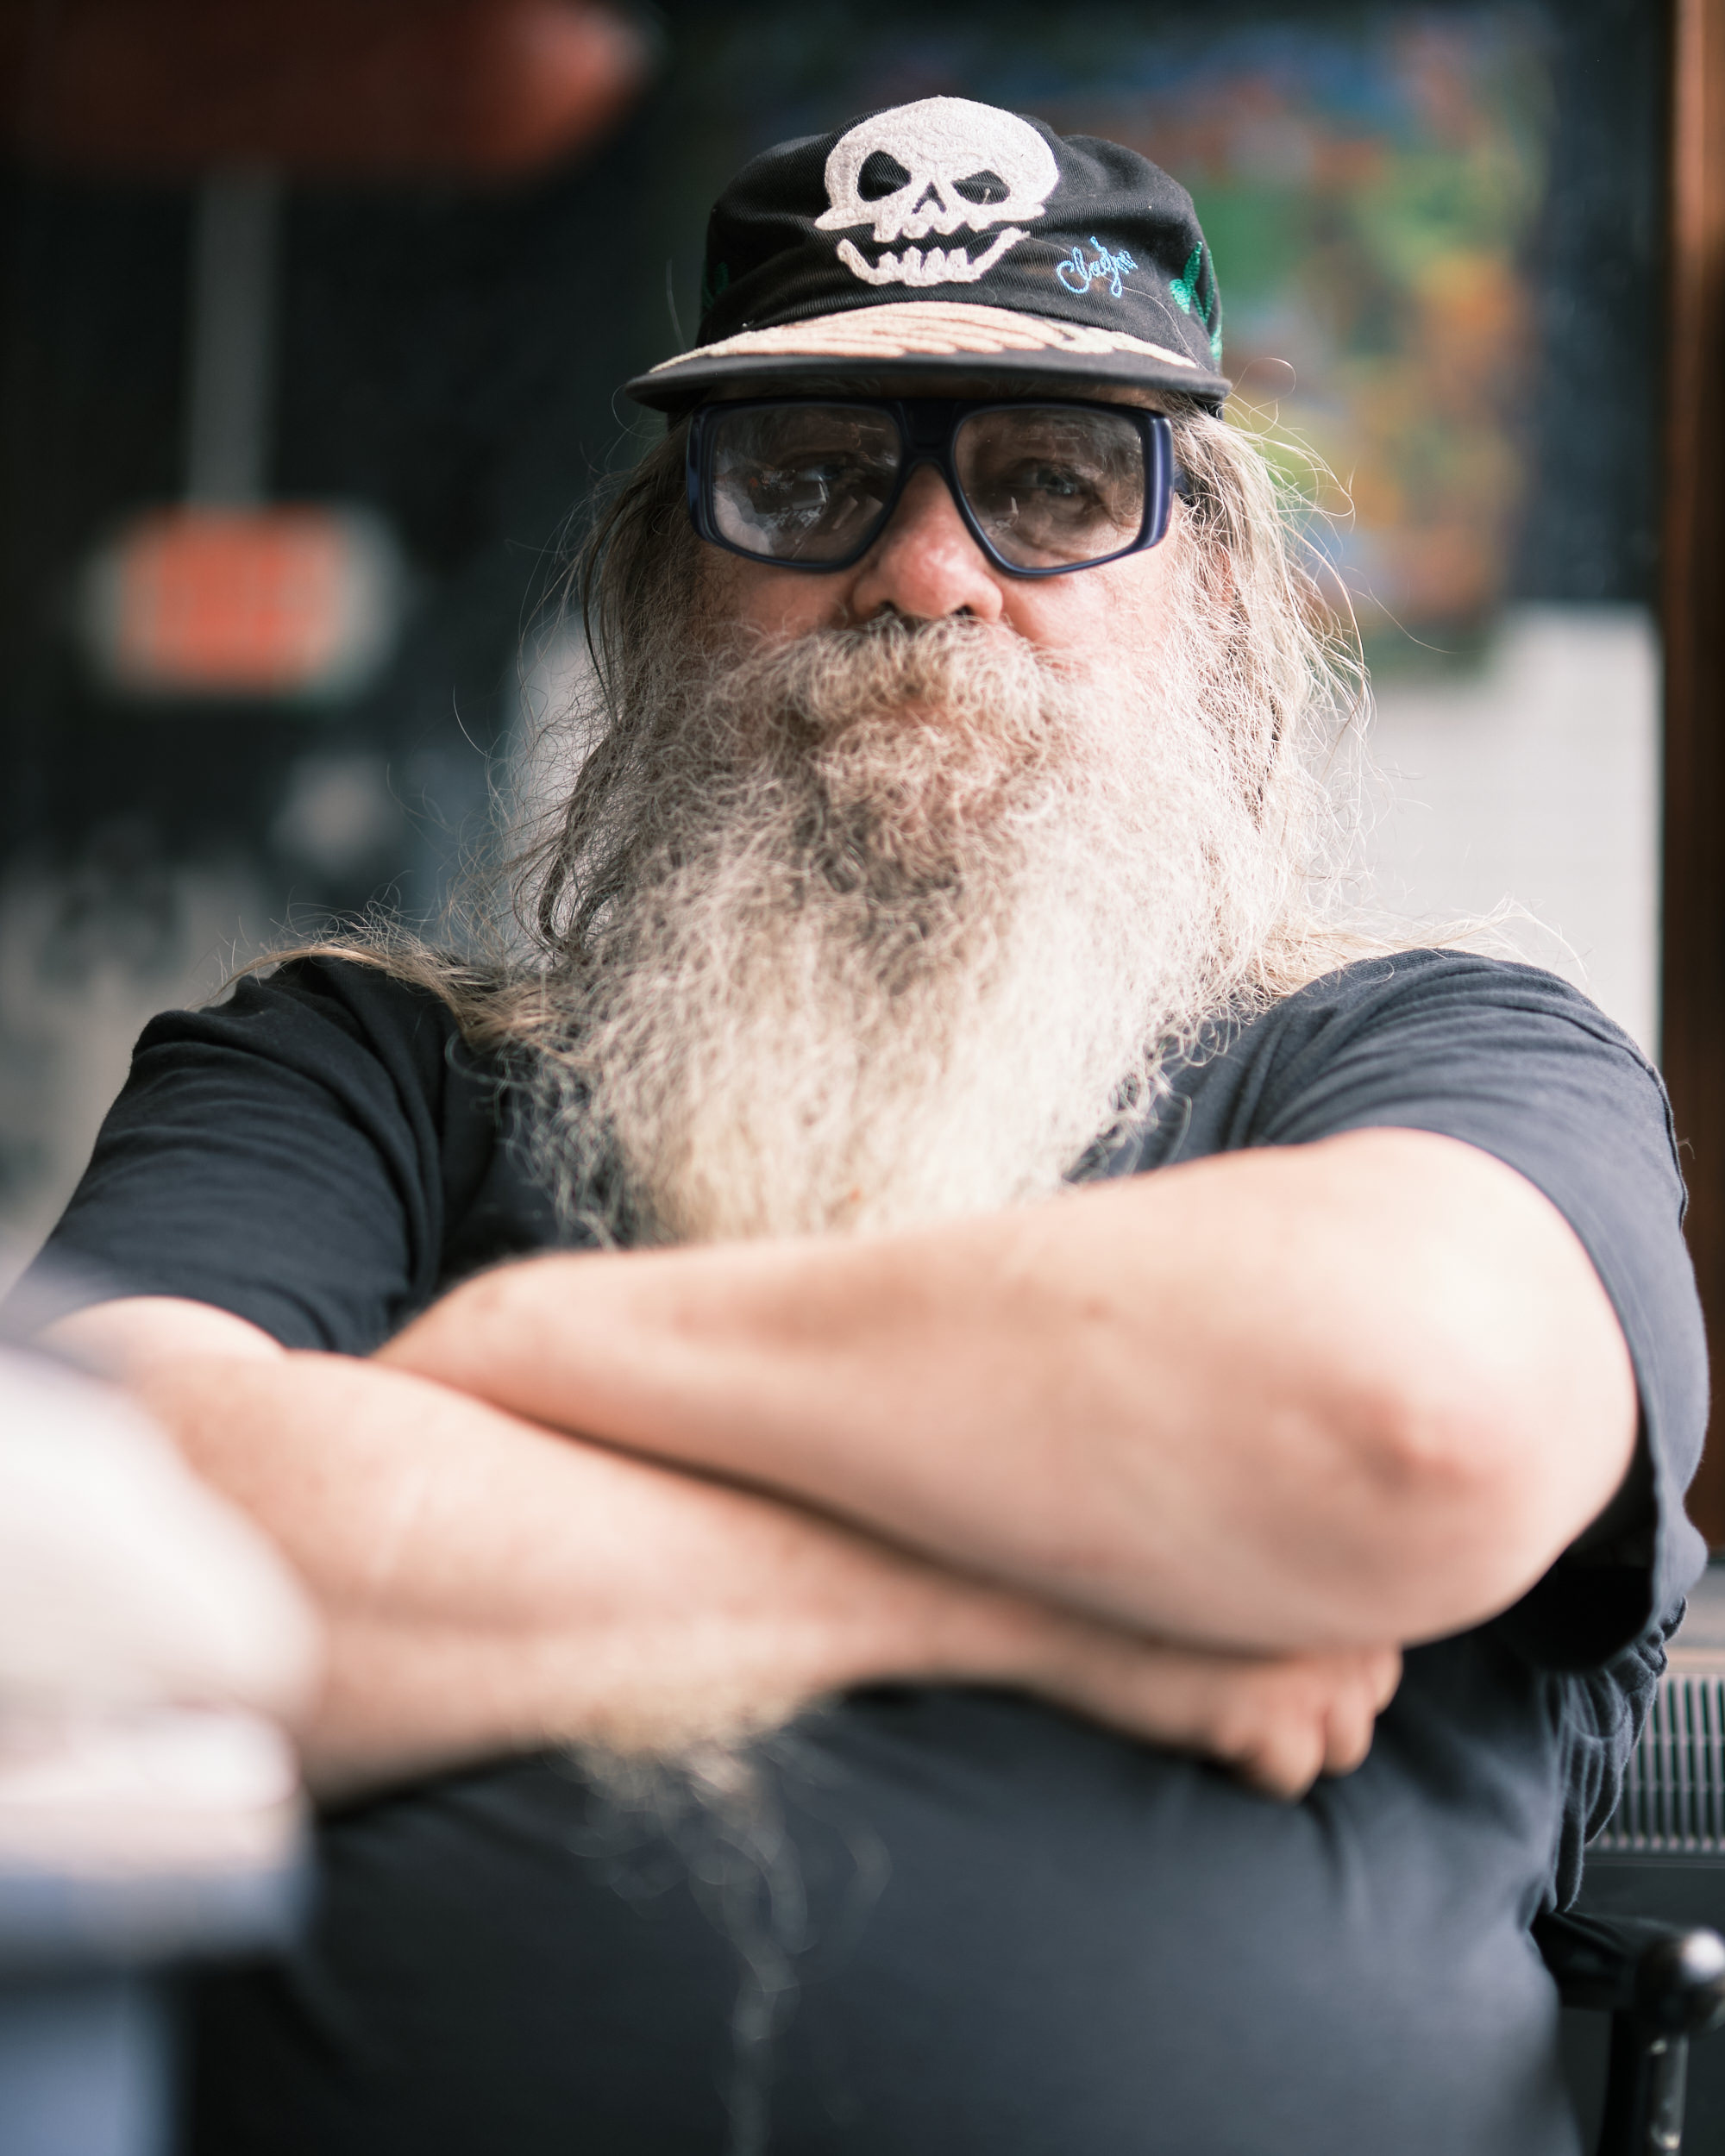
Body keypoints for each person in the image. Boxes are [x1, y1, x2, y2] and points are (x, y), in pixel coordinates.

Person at [19, 97, 1705, 2156]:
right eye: (802, 477)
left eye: (1055, 484)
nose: (922, 572)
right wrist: (1061, 1600)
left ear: (1220, 595)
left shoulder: (1436, 1055)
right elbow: (73, 1574)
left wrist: (517, 1365)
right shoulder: (354, 1071)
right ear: (656, 583)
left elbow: (1402, 1415)